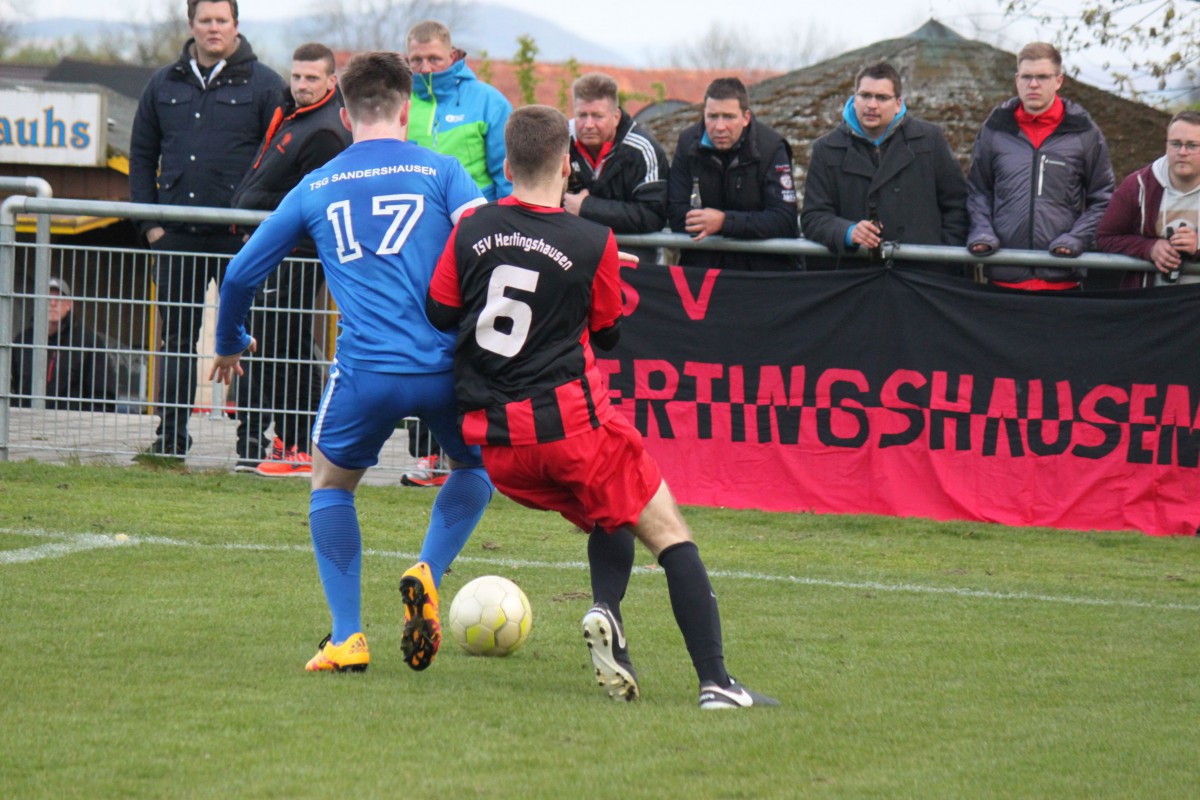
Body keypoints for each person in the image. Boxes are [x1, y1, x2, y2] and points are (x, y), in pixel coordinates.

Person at [426, 104, 778, 709]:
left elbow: (440, 312)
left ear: (507, 164)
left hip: (501, 447)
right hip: (572, 428)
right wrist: (599, 272)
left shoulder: (472, 229)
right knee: (669, 534)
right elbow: (608, 332)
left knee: (608, 515)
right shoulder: (593, 241)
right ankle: (717, 682)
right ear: (568, 167)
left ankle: (608, 611)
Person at [210, 52, 494, 674]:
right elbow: (487, 244)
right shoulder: (444, 172)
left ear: (343, 112)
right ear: (406, 109)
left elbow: (239, 274)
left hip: (365, 373)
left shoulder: (316, 185)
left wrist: (230, 341)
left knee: (331, 488)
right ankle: (427, 569)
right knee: (474, 471)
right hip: (448, 368)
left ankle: (347, 638)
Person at [129, 0, 285, 460]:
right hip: (176, 235)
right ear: (191, 25)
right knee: (175, 340)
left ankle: (252, 443)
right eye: (205, 20)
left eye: (222, 20)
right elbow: (141, 156)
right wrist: (151, 224)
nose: (213, 28)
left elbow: (278, 158)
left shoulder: (266, 85)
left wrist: (261, 228)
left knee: (250, 338)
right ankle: (171, 439)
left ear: (236, 25)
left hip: (241, 239)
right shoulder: (162, 84)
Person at [230, 42, 353, 476]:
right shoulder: (296, 115)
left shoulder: (324, 131)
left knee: (285, 342)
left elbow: (312, 200)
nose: (301, 85)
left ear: (331, 82)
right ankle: (292, 441)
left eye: (311, 78)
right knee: (282, 340)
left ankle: (300, 445)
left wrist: (255, 209)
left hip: (297, 253)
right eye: (297, 76)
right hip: (277, 248)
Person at [400, 19, 514, 487]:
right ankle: (426, 457)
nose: (425, 67)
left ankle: (468, 453)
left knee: (467, 346)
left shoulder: (488, 102)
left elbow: (505, 176)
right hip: (411, 247)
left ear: (453, 55)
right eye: (416, 60)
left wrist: (504, 235)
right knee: (416, 348)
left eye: (433, 59)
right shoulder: (401, 103)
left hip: (472, 249)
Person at [966, 42, 1114, 290]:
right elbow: (978, 191)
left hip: (1062, 282)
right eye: (1027, 77)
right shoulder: (995, 129)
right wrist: (983, 232)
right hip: (1003, 280)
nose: (1033, 84)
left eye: (1042, 77)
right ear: (1017, 79)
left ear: (1058, 81)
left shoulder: (1084, 133)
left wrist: (1076, 238)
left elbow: (1104, 198)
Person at [801, 62, 968, 275]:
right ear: (854, 98)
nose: (871, 105)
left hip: (922, 278)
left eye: (881, 97)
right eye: (864, 95)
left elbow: (957, 204)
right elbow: (813, 216)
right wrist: (848, 232)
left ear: (898, 103)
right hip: (854, 278)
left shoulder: (929, 141)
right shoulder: (826, 149)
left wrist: (941, 255)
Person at [666, 77, 799, 272]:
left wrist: (723, 222)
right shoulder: (688, 143)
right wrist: (709, 223)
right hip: (703, 271)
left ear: (745, 118)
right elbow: (675, 212)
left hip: (763, 273)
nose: (719, 127)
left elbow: (784, 219)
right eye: (712, 116)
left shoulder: (771, 147)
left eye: (728, 117)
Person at [563, 71, 668, 267]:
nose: (588, 124)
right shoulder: (560, 140)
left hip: (633, 252)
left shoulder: (643, 149)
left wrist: (586, 207)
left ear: (616, 116)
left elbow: (653, 215)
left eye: (597, 116)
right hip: (573, 248)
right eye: (581, 115)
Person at [1097, 110, 1200, 287]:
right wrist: (1149, 248)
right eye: (1175, 144)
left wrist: (1197, 246)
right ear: (1166, 145)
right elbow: (1104, 237)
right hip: (1151, 300)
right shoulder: (1138, 186)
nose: (1182, 152)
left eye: (1192, 145)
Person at [10, 278, 118, 412]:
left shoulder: (88, 342)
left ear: (69, 305)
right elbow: (10, 387)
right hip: (26, 426)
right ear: (38, 302)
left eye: (59, 299)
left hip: (71, 428)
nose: (53, 303)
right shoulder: (22, 341)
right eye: (47, 298)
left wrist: (81, 422)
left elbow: (103, 394)